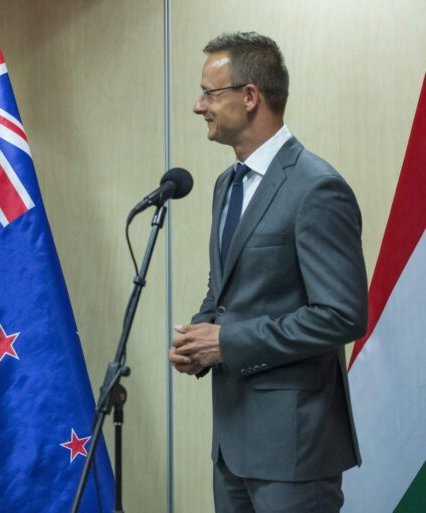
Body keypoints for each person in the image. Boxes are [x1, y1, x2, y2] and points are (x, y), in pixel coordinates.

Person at [169, 33, 368, 513]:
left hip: (295, 448)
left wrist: (228, 342)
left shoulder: (317, 188)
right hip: (231, 446)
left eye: (209, 93)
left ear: (250, 96)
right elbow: (226, 288)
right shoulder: (226, 184)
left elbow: (342, 315)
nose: (198, 106)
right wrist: (199, 337)